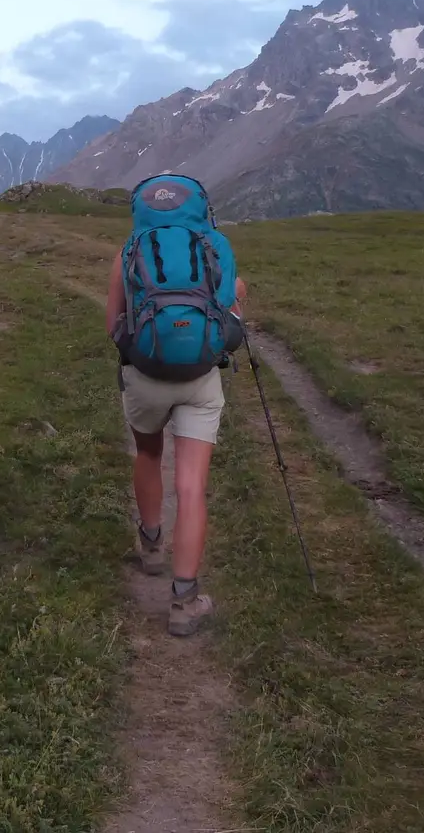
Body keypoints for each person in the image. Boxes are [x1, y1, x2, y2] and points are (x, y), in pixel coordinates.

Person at [105, 174, 246, 637]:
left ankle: (150, 546)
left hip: (145, 376)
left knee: (148, 453)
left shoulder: (129, 250)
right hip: (199, 381)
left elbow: (113, 324)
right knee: (191, 487)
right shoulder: (216, 247)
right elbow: (230, 316)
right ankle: (184, 602)